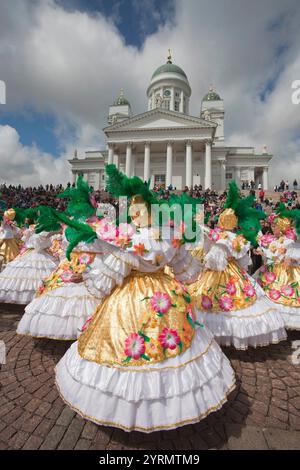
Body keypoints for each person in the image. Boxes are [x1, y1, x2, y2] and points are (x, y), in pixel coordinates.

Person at [54, 164, 235, 433]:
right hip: (165, 293)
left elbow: (107, 277)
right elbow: (187, 271)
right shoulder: (169, 237)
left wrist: (91, 278)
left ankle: (136, 410)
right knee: (174, 341)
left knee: (128, 345)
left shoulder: (129, 241)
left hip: (129, 298)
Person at [189, 181, 286, 349]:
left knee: (213, 302)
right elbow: (243, 261)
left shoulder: (220, 238)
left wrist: (204, 267)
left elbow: (214, 261)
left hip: (217, 274)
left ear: (221, 221)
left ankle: (218, 334)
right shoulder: (236, 238)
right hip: (235, 273)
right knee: (240, 302)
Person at [17, 177, 106, 339]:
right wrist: (46, 230)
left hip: (93, 269)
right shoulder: (67, 224)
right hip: (67, 268)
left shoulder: (103, 226)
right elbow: (39, 241)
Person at [0, 209, 58, 304]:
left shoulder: (31, 229)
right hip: (37, 253)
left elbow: (25, 240)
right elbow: (44, 243)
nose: (26, 220)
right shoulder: (38, 229)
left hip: (33, 253)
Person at [256, 204, 300, 330]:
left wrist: (263, 253)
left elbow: (277, 257)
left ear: (280, 228)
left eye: (274, 226)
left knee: (284, 295)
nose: (272, 228)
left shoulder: (287, 241)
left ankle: (282, 322)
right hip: (274, 270)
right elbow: (270, 251)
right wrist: (262, 251)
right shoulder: (276, 239)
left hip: (285, 273)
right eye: (272, 226)